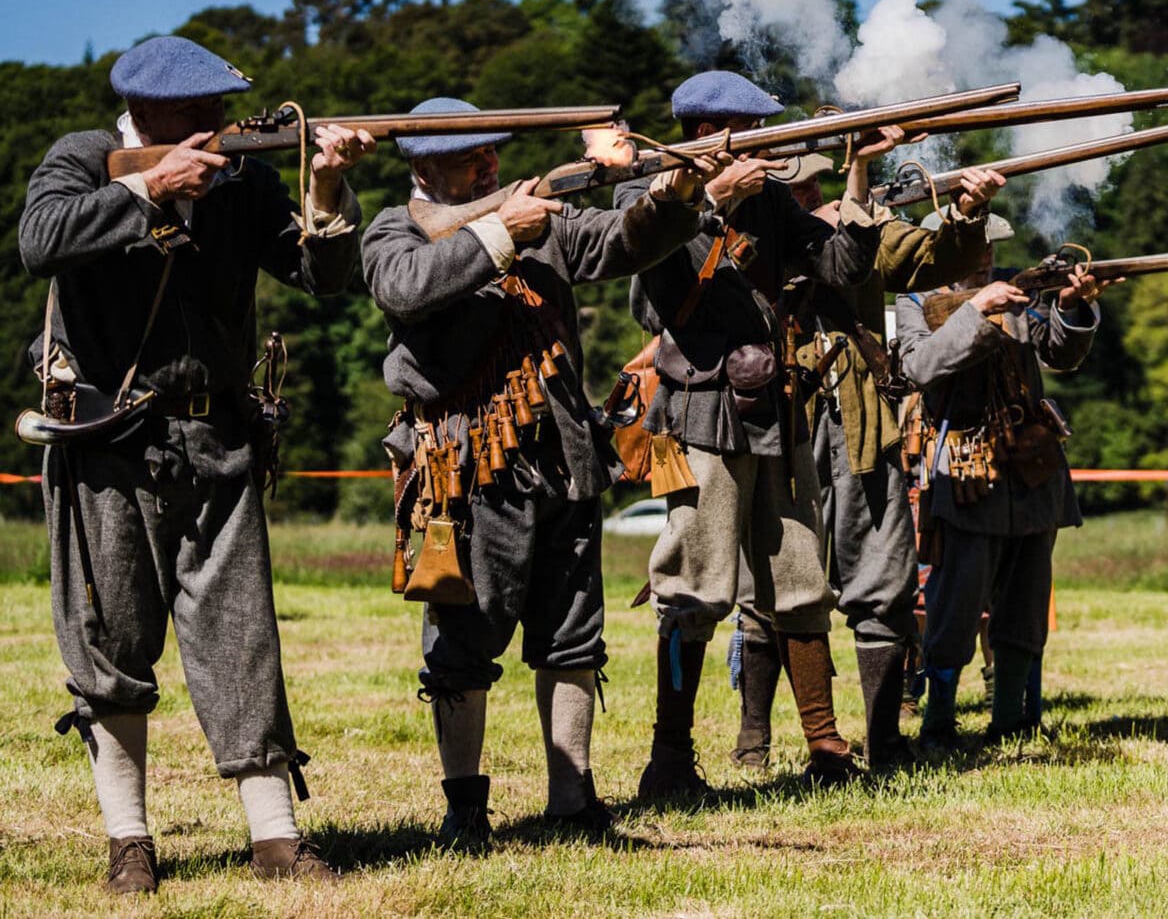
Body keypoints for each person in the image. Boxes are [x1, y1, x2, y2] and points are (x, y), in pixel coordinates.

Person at [20, 35, 371, 892]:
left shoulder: (242, 179)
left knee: (241, 637)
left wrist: (325, 187)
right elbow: (41, 238)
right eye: (201, 111)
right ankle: (129, 840)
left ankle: (277, 837)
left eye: (222, 107)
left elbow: (324, 274)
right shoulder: (82, 159)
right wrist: (148, 188)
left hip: (217, 435)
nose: (220, 122)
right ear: (148, 114)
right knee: (108, 640)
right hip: (106, 440)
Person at [360, 97, 718, 850]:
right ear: (425, 166)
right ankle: (465, 809)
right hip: (468, 465)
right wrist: (496, 234)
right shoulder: (394, 228)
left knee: (572, 637)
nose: (490, 164)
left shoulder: (542, 220)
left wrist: (677, 191)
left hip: (563, 454)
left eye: (493, 152)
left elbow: (623, 241)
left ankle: (573, 799)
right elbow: (404, 287)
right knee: (464, 638)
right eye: (471, 156)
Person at [620, 70, 903, 794]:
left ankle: (824, 744)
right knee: (691, 583)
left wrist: (860, 170)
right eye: (746, 130)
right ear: (708, 133)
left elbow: (841, 265)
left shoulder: (775, 199)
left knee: (802, 575)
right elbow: (647, 305)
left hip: (774, 407)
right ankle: (671, 759)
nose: (759, 144)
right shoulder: (652, 196)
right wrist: (711, 202)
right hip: (698, 411)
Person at [729, 167, 1005, 771]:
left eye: (815, 187)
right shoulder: (736, 228)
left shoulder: (863, 229)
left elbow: (931, 260)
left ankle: (885, 742)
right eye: (795, 189)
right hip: (774, 417)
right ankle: (755, 741)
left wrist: (965, 213)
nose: (806, 200)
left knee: (882, 579)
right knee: (765, 581)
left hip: (859, 419)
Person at [894, 216, 1109, 745]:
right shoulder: (918, 300)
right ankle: (939, 722)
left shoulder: (1020, 290)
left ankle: (1016, 720)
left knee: (1027, 605)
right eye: (975, 244)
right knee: (953, 606)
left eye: (990, 245)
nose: (987, 254)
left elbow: (1061, 353)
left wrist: (1072, 304)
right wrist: (976, 310)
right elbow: (921, 367)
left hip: (1030, 470)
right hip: (965, 470)